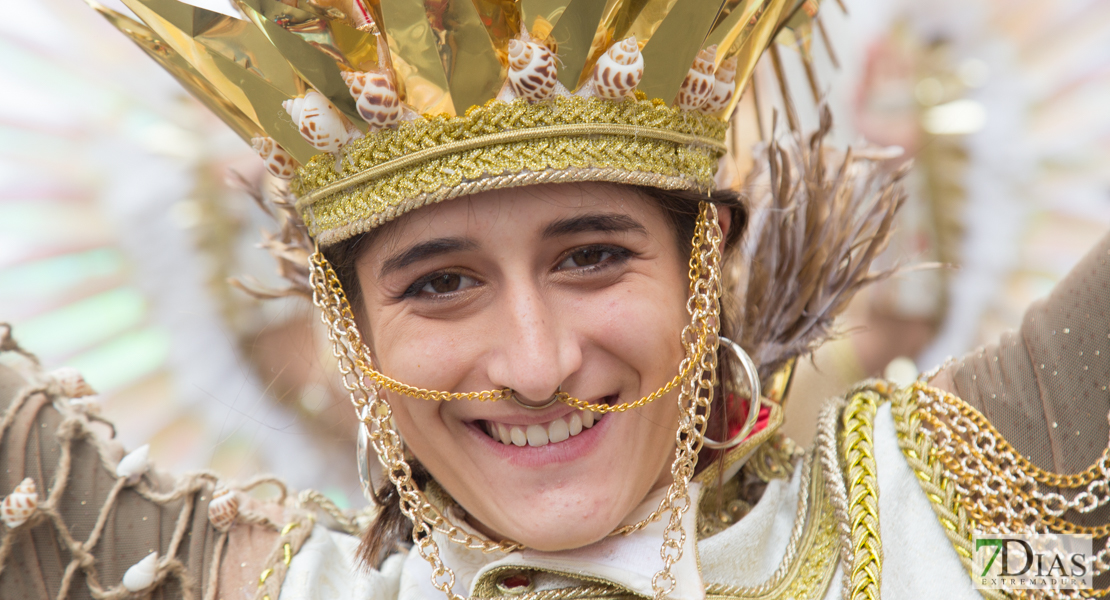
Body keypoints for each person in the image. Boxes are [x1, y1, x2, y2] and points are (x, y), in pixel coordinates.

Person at [0, 1, 1107, 599]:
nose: (534, 363)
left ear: (704, 263)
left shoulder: (961, 509)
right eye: (440, 284)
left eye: (591, 258)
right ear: (350, 323)